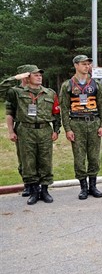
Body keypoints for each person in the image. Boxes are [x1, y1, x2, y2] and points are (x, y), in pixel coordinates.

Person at [5, 65, 61, 205]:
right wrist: (16, 78)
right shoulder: (17, 93)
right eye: (35, 74)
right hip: (25, 130)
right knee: (28, 162)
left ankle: (45, 190)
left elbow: (56, 113)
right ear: (27, 77)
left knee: (45, 161)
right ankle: (34, 191)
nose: (39, 76)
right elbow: (2, 88)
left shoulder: (49, 93)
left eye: (40, 74)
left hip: (44, 130)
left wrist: (56, 130)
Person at [59, 55, 102, 200]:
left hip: (93, 122)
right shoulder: (67, 85)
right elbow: (64, 108)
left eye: (88, 64)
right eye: (83, 64)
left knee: (94, 157)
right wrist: (67, 129)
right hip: (77, 123)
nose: (87, 66)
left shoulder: (95, 84)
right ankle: (83, 187)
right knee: (79, 157)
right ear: (75, 65)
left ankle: (93, 186)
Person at [1, 65, 32, 197]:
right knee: (24, 159)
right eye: (30, 74)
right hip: (22, 128)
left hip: (38, 129)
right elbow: (9, 113)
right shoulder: (14, 91)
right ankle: (28, 184)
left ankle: (38, 185)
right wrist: (11, 131)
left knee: (38, 159)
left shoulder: (39, 89)